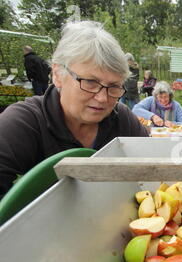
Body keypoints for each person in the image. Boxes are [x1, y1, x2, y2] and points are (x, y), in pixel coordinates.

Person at [0, 21, 148, 199]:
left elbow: (151, 175)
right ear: (57, 74)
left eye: (114, 86)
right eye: (90, 82)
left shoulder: (122, 120)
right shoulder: (23, 122)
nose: (102, 98)